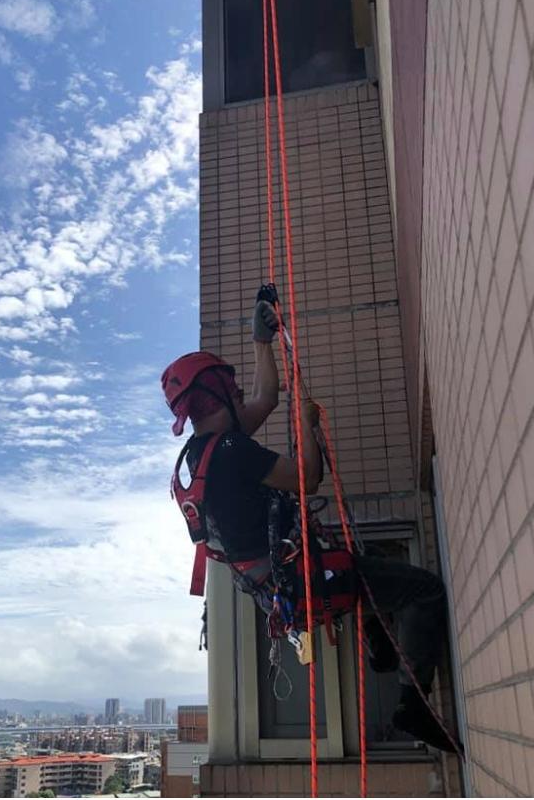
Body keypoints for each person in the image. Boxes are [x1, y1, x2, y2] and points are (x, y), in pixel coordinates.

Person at [161, 292, 459, 753]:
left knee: (368, 569)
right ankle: (411, 705)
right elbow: (309, 479)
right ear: (216, 391)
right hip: (300, 582)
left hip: (279, 588)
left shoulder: (202, 454)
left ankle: (379, 641)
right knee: (424, 591)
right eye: (229, 383)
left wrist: (262, 341)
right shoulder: (232, 451)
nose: (239, 389)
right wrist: (307, 425)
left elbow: (263, 398)